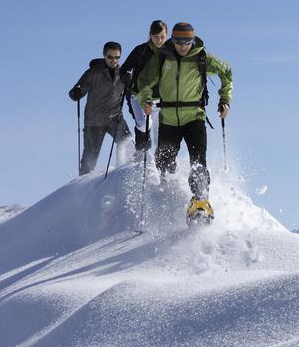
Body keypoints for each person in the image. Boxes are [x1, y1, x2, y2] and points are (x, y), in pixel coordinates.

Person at [135, 22, 232, 221]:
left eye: (187, 41)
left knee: (198, 160)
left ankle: (200, 201)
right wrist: (145, 99)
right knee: (164, 161)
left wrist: (225, 100)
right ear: (173, 40)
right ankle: (168, 193)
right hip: (169, 118)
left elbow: (227, 72)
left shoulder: (201, 57)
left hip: (194, 117)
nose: (183, 46)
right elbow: (144, 81)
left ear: (192, 40)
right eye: (179, 41)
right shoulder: (162, 56)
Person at [69, 42, 132, 175]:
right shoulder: (93, 73)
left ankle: (123, 173)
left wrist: (130, 82)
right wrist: (76, 93)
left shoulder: (123, 73)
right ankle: (82, 186)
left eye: (117, 57)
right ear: (104, 55)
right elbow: (77, 90)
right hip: (94, 121)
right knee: (90, 157)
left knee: (127, 144)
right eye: (110, 57)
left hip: (115, 118)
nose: (113, 60)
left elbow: (133, 94)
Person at [120, 20, 168, 152]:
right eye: (156, 37)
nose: (159, 40)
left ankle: (163, 167)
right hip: (138, 96)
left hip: (161, 100)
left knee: (161, 135)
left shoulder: (170, 53)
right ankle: (141, 157)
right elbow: (124, 68)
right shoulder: (141, 50)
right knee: (143, 125)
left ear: (167, 35)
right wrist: (126, 76)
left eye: (162, 37)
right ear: (150, 35)